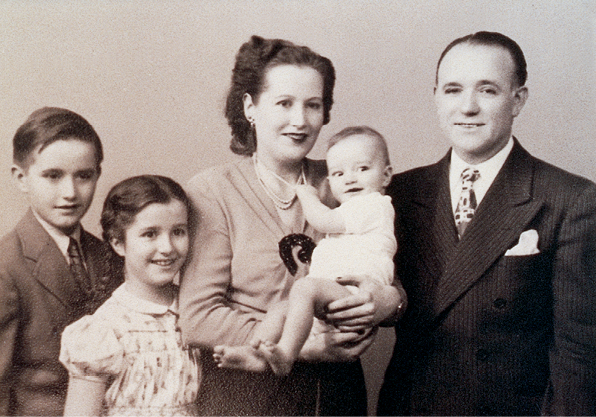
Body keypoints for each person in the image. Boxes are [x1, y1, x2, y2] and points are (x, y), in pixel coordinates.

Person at [179, 36, 404, 417]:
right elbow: (199, 318)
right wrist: (306, 347)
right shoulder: (212, 191)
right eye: (284, 103)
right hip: (246, 397)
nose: (300, 120)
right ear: (250, 106)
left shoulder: (343, 180)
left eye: (313, 105)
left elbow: (383, 265)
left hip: (335, 396)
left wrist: (389, 303)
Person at [378, 31, 596, 417]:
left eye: (488, 91)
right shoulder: (399, 193)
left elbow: (578, 355)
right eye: (452, 90)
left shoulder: (570, 199)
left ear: (518, 100)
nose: (467, 107)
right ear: (435, 97)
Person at [213, 126, 397, 377]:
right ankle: (256, 354)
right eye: (339, 173)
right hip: (335, 296)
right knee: (281, 309)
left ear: (386, 176)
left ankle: (286, 355)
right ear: (331, 183)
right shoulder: (352, 212)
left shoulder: (373, 206)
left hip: (354, 297)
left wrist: (306, 194)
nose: (351, 178)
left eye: (362, 169)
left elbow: (324, 221)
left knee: (303, 289)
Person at [0, 107, 122, 417]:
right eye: (53, 176)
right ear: (21, 177)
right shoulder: (6, 265)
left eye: (84, 176)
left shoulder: (111, 254)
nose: (70, 193)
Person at [60, 175, 201, 417]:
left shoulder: (196, 308)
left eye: (178, 232)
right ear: (118, 243)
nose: (167, 247)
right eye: (150, 234)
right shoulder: (104, 329)